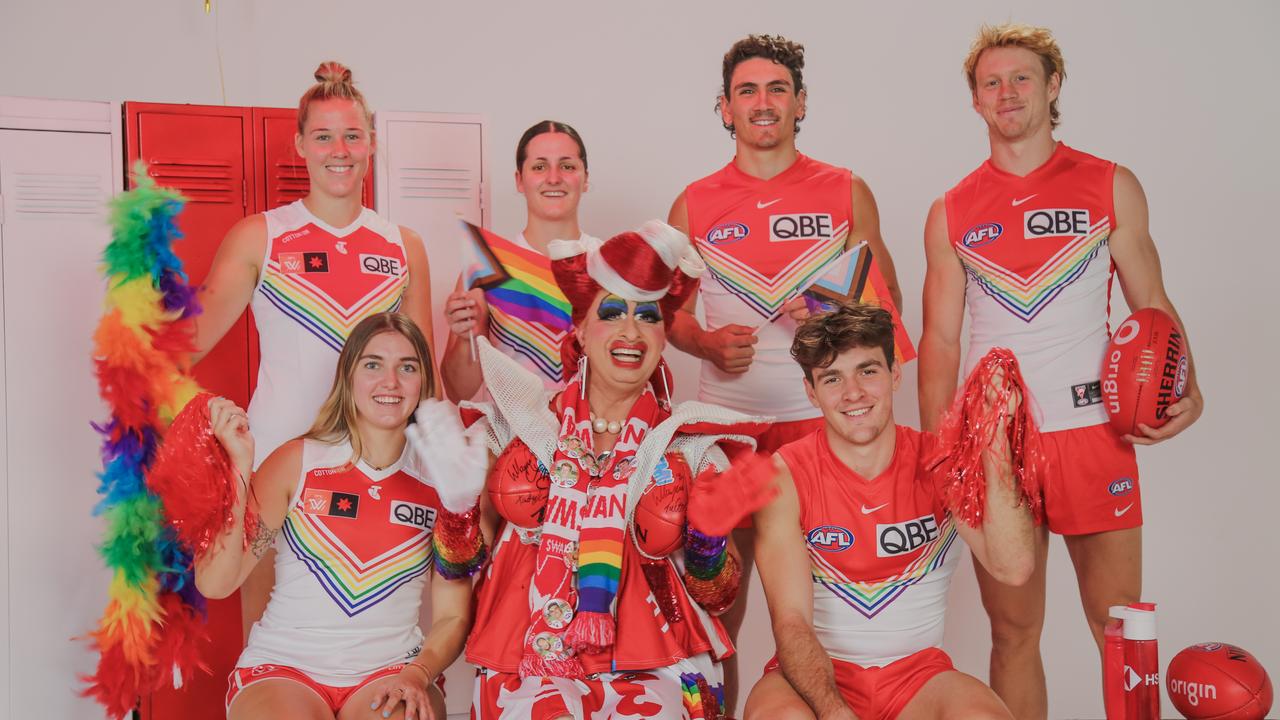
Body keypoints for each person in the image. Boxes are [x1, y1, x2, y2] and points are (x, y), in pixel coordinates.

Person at [918, 23, 1203, 719]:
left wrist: (1186, 385)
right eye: (991, 82)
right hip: (996, 446)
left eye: (1021, 78)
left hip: (1093, 429)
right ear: (975, 101)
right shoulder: (951, 210)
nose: (1006, 92)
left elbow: (1154, 307)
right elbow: (941, 342)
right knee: (1013, 632)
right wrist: (938, 451)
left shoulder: (1109, 184)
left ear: (1052, 87)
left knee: (1122, 625)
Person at [425, 221, 776, 719]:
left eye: (648, 317)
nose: (631, 332)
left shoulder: (693, 445)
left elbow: (717, 598)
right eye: (612, 313)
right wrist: (457, 511)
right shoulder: (515, 425)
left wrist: (708, 542)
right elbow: (457, 569)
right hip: (529, 668)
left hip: (662, 669)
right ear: (581, 331)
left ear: (662, 338)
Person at [666, 34, 903, 709]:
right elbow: (668, 319)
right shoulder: (694, 202)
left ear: (801, 103)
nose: (762, 102)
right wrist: (708, 343)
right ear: (724, 108)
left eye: (776, 89)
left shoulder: (845, 190)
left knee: (826, 611)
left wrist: (832, 312)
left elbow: (889, 307)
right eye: (747, 90)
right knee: (717, 614)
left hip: (818, 430)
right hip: (730, 434)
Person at [192, 61, 434, 631]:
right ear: (300, 144)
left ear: (372, 143)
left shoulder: (404, 246)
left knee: (375, 634)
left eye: (353, 135)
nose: (339, 150)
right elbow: (180, 350)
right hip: (277, 458)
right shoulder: (261, 235)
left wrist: (440, 468)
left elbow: (424, 378)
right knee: (268, 634)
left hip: (379, 466)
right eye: (323, 136)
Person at [746, 303, 1035, 720]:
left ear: (895, 373)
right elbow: (791, 621)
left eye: (868, 370)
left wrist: (996, 443)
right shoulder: (784, 475)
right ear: (811, 391)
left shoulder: (941, 461)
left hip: (918, 677)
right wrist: (834, 711)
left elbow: (1013, 568)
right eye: (832, 378)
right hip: (816, 677)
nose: (853, 393)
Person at [194, 312, 468, 720]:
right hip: (285, 666)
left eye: (406, 367)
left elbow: (452, 615)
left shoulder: (442, 481)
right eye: (372, 364)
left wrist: (418, 674)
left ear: (423, 381)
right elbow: (216, 583)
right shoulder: (296, 462)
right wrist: (239, 468)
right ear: (348, 376)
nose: (389, 382)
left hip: (391, 669)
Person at [441, 120, 595, 401]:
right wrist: (465, 337)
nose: (553, 177)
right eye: (539, 166)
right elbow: (457, 390)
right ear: (519, 180)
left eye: (567, 166)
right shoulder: (486, 266)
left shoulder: (609, 266)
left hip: (591, 440)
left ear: (585, 179)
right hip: (510, 441)